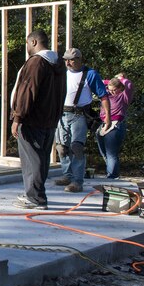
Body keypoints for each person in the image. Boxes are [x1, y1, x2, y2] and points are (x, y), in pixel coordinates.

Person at [9, 30, 67, 210]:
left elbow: (28, 91)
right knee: (40, 158)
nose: (27, 47)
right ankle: (36, 194)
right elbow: (61, 92)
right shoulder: (58, 63)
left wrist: (18, 117)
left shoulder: (36, 62)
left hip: (32, 119)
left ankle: (35, 198)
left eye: (27, 43)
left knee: (32, 160)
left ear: (33, 42)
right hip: (49, 119)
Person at [55, 48, 110, 193]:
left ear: (79, 59)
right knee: (61, 147)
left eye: (71, 60)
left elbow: (103, 96)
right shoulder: (62, 72)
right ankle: (67, 175)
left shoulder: (90, 74)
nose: (68, 63)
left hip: (79, 114)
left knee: (77, 147)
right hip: (62, 114)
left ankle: (77, 181)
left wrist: (108, 118)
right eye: (65, 59)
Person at [95, 73, 133, 179]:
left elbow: (129, 84)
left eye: (114, 90)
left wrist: (121, 78)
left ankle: (112, 176)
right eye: (109, 89)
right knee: (104, 152)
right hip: (103, 124)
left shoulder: (124, 96)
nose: (111, 92)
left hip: (115, 125)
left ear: (120, 88)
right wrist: (110, 82)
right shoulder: (107, 94)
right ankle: (111, 173)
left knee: (111, 153)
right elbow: (99, 81)